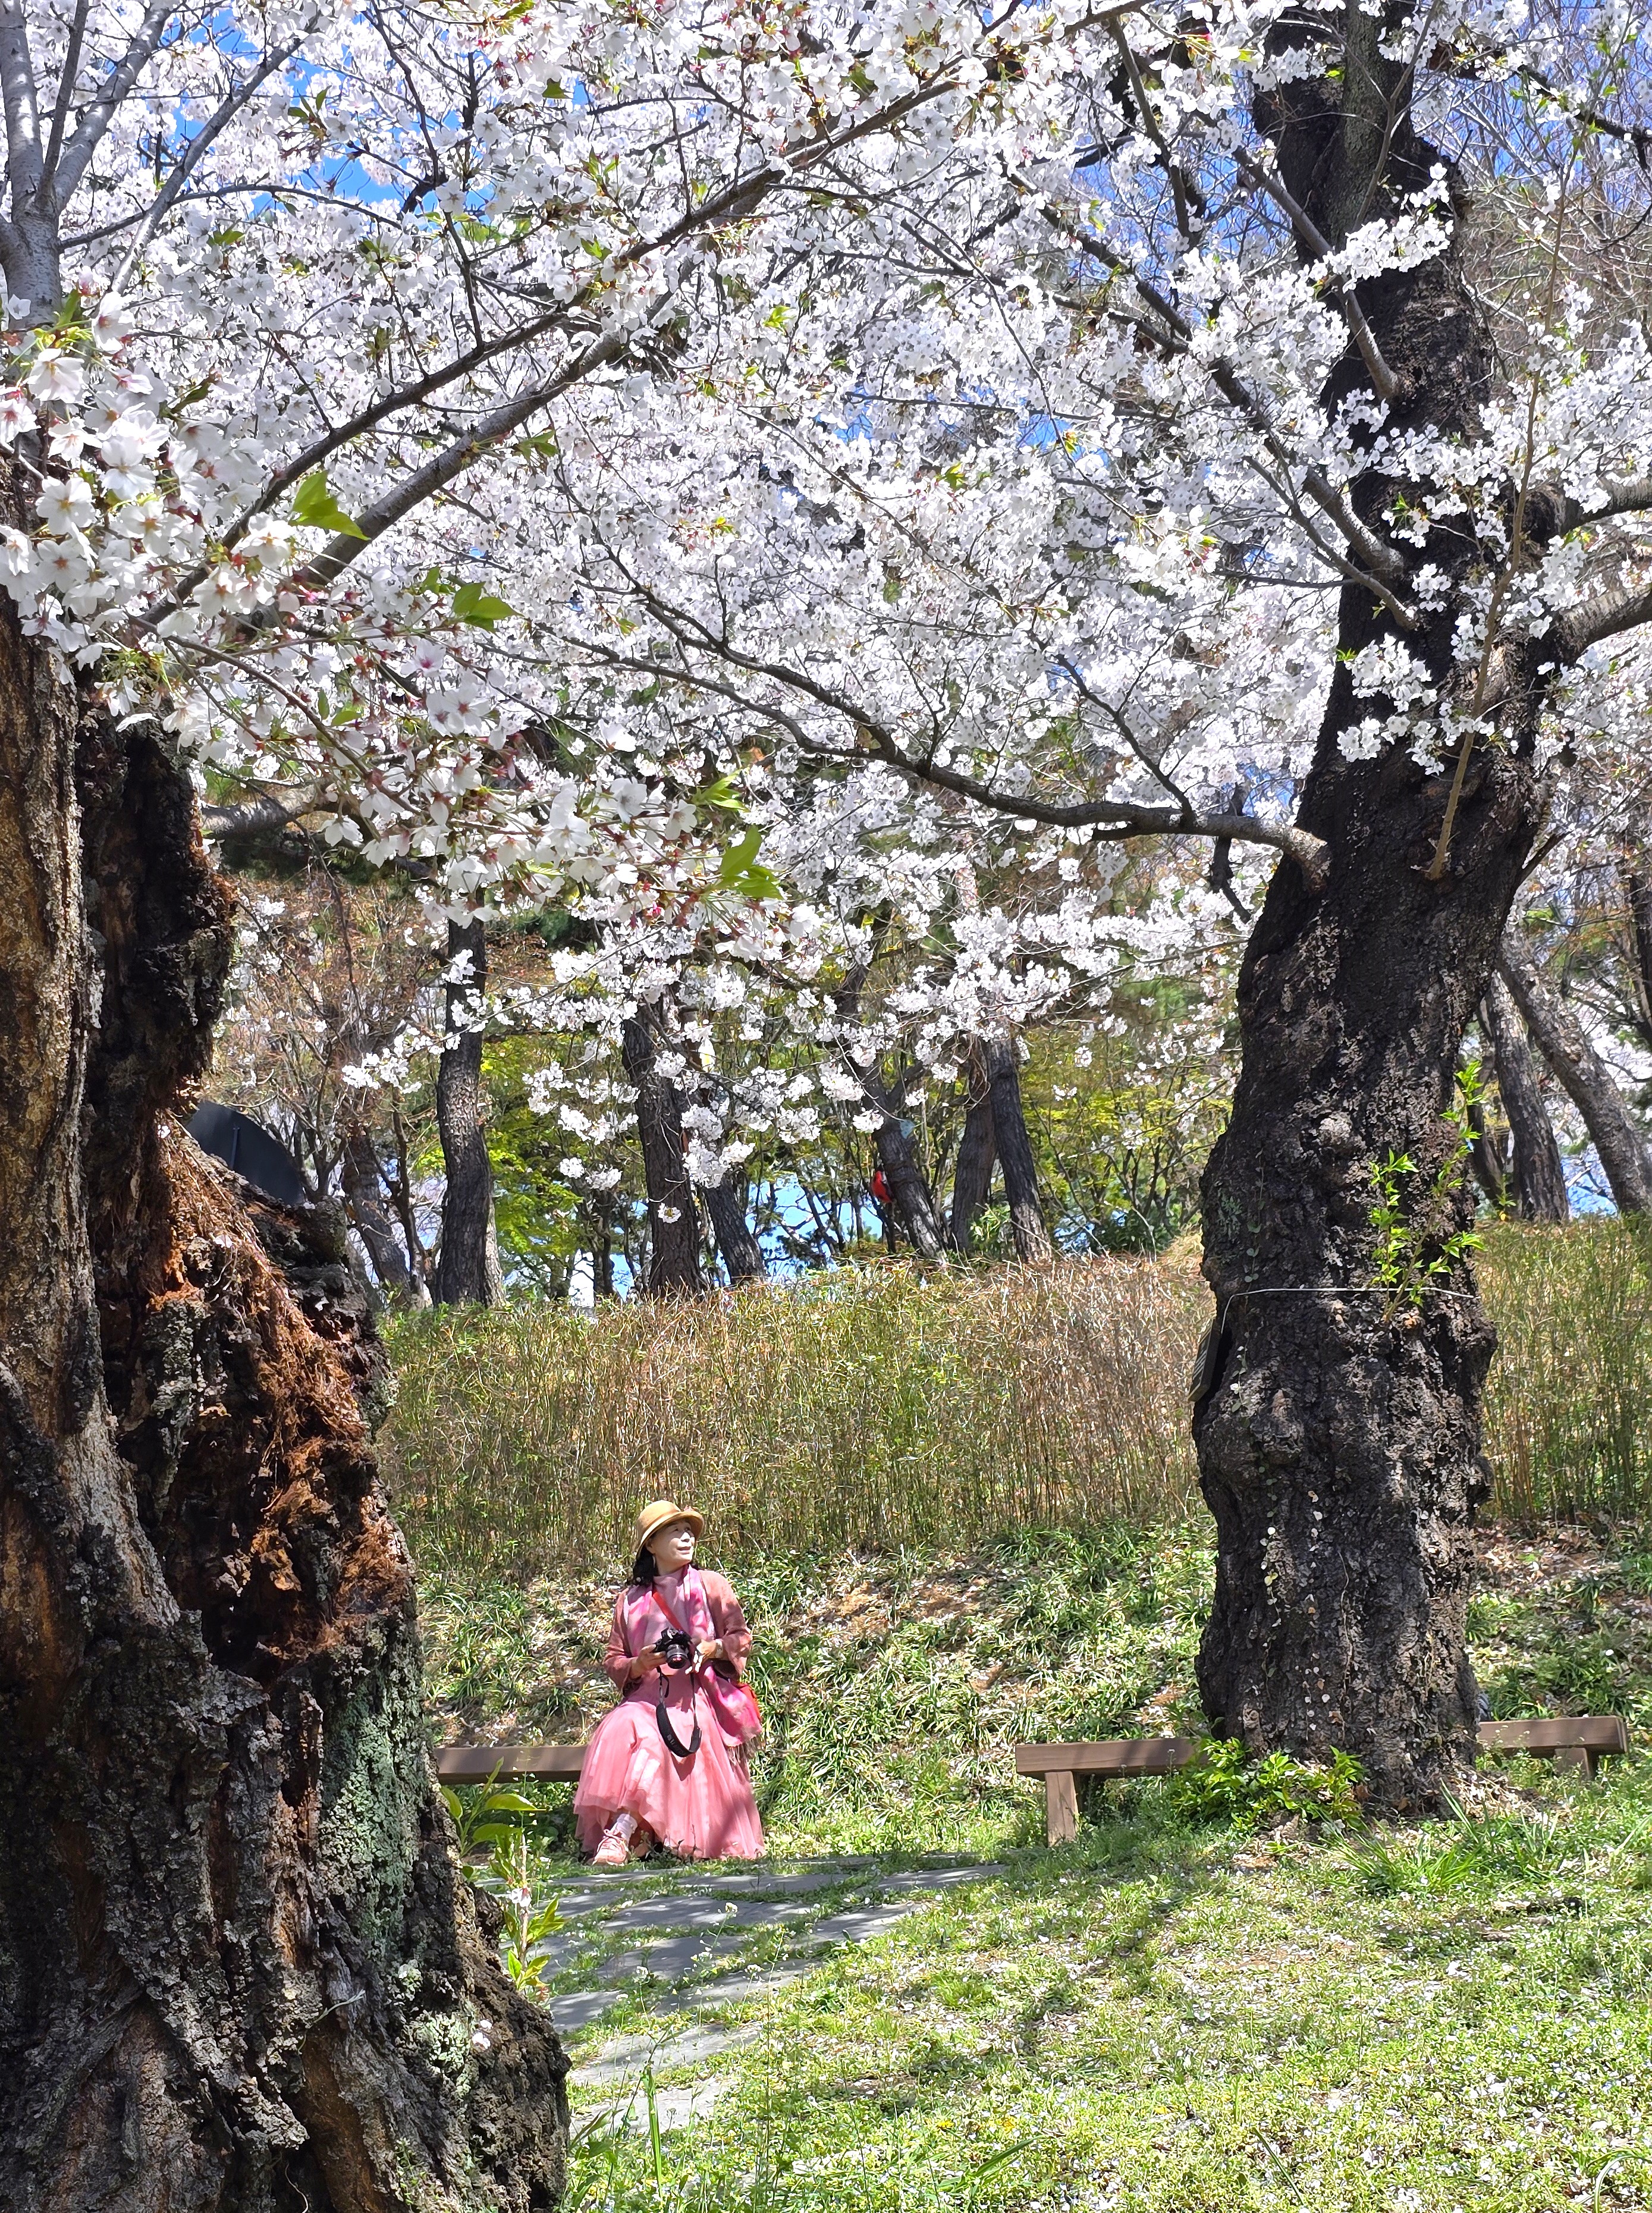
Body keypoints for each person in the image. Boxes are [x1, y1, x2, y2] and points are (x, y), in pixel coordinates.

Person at [574, 1499, 765, 1866]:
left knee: (660, 1737)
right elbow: (613, 1660)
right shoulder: (630, 1600)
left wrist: (710, 1648)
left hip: (697, 1696)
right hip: (648, 1697)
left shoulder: (711, 1585)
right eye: (675, 1531)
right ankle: (632, 1833)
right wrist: (639, 1663)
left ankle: (623, 1834)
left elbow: (741, 1638)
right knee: (622, 1725)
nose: (687, 1537)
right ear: (651, 1544)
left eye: (689, 1531)